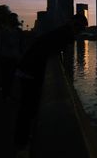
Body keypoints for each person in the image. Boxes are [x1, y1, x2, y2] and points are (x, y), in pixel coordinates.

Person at [14, 14, 88, 149]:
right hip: (30, 70)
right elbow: (65, 54)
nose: (79, 30)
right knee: (28, 107)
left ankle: (23, 139)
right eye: (79, 27)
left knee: (28, 106)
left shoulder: (61, 31)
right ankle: (21, 141)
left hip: (27, 67)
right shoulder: (66, 34)